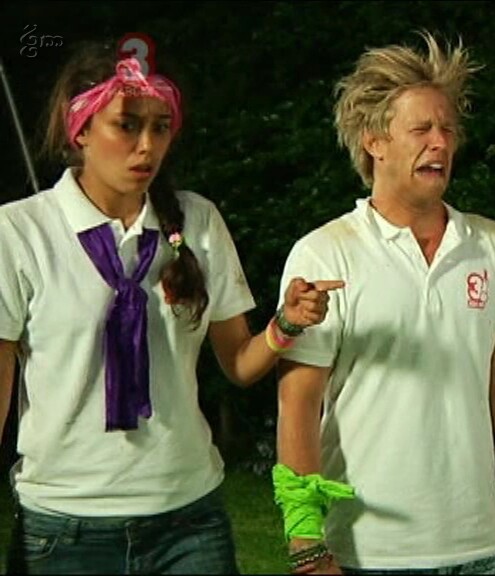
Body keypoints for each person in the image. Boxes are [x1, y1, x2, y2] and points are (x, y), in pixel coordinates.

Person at [0, 41, 339, 574]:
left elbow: (240, 364)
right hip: (64, 526)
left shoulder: (196, 221)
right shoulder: (19, 232)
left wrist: (287, 323)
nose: (147, 146)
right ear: (80, 128)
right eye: (127, 125)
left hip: (189, 519)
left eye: (160, 127)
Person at [272, 31, 495, 575]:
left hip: (480, 550)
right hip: (368, 552)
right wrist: (306, 541)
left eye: (448, 129)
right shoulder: (325, 253)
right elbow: (298, 406)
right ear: (375, 142)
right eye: (422, 129)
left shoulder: (494, 246)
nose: (440, 143)